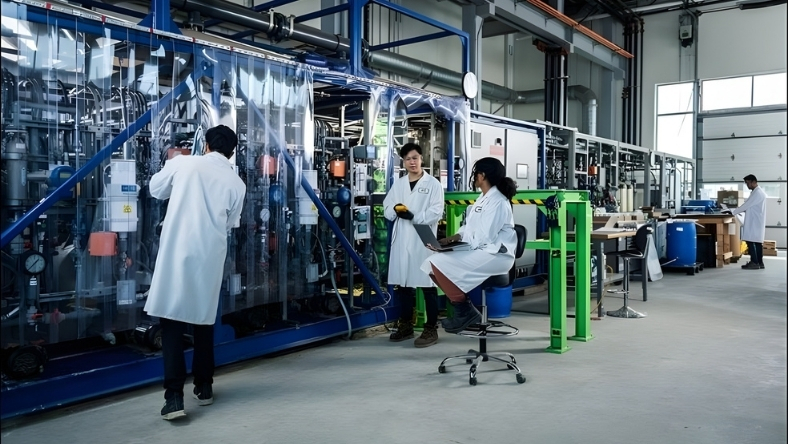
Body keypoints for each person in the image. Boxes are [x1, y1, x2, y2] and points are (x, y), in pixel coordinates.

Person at [144, 125, 246, 420]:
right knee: (203, 321)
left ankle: (174, 397)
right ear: (232, 151)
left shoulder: (183, 163)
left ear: (206, 145)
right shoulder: (236, 183)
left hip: (178, 251)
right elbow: (230, 224)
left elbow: (155, 189)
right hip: (209, 256)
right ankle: (204, 387)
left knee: (172, 323)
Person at [421, 157, 518, 333]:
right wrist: (451, 239)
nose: (473, 178)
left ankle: (464, 311)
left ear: (482, 176)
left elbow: (484, 237)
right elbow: (470, 227)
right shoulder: (483, 197)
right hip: (481, 249)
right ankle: (464, 309)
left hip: (496, 255)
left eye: (475, 174)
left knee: (438, 262)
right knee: (430, 263)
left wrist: (458, 247)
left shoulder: (498, 201)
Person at [383, 143, 444, 347]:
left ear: (421, 159)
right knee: (404, 284)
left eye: (415, 158)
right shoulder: (399, 184)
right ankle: (406, 326)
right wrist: (396, 211)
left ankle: (431, 329)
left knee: (427, 284)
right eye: (408, 159)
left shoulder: (433, 184)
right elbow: (387, 207)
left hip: (423, 237)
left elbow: (437, 211)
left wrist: (414, 216)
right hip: (402, 238)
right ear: (404, 161)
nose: (412, 162)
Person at [727, 174, 767, 270]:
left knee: (751, 241)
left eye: (748, 183)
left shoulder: (757, 193)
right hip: (756, 220)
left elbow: (746, 205)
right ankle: (760, 263)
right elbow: (749, 206)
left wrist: (733, 211)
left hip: (754, 221)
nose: (747, 185)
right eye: (746, 183)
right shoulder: (757, 192)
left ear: (754, 182)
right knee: (757, 242)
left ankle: (754, 262)